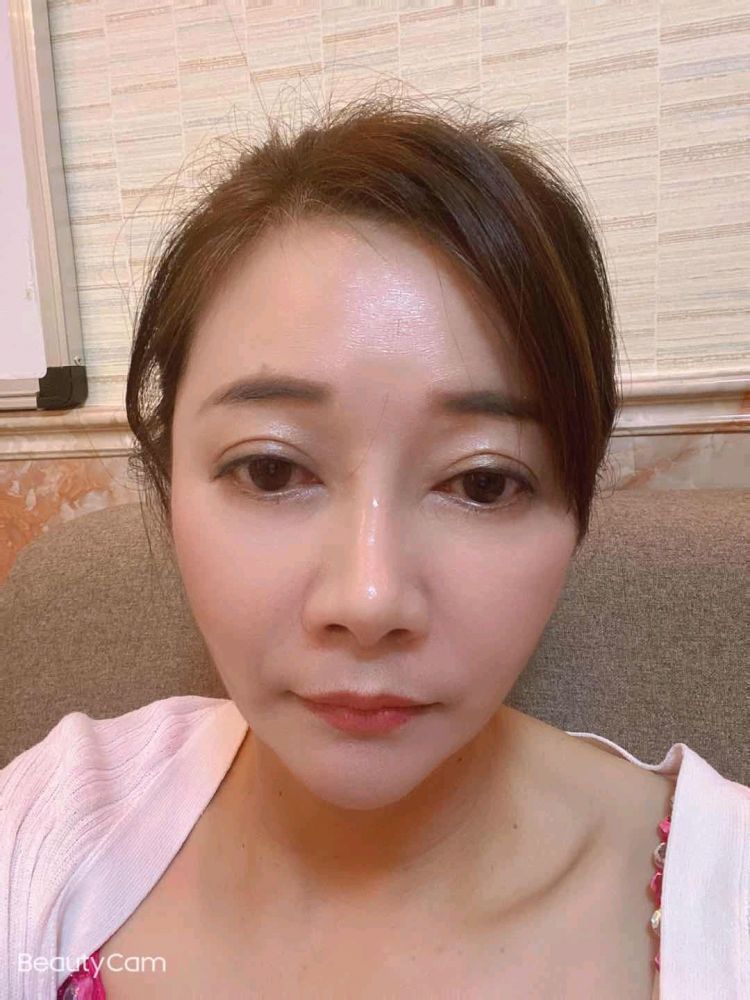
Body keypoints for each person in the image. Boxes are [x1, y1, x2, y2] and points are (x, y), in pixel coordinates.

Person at [1, 95, 747, 1000]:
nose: (368, 600)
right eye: (272, 469)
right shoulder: (50, 830)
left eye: (483, 482)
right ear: (167, 479)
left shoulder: (727, 908)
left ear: (578, 504)